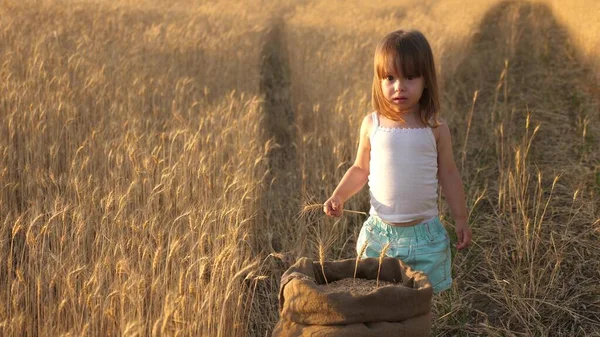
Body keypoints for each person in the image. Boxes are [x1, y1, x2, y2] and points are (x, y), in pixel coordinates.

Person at [323, 29, 472, 293]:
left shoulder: (435, 128)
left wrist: (461, 218)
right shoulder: (372, 124)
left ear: (426, 79)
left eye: (410, 77)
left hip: (425, 236)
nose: (399, 86)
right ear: (379, 81)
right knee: (376, 298)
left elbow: (449, 173)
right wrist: (339, 195)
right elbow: (360, 168)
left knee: (421, 303)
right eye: (390, 78)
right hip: (380, 237)